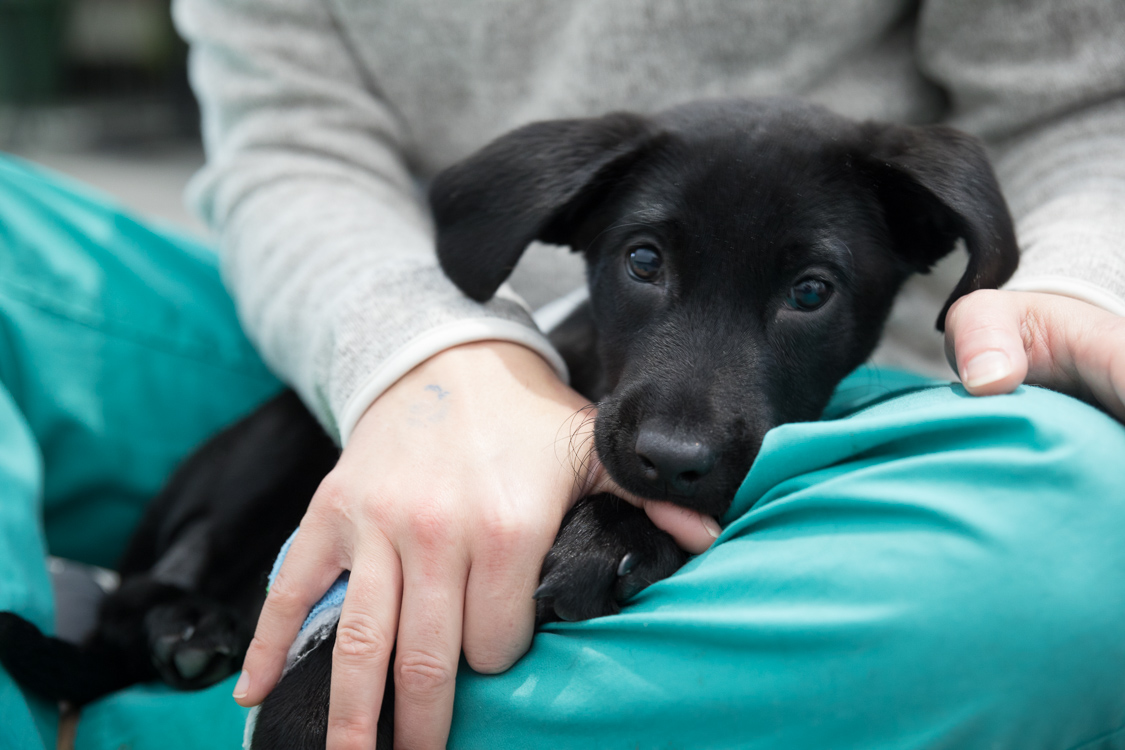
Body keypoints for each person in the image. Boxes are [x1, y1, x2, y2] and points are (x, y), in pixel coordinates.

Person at [1, 0, 1123, 748]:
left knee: (1087, 541)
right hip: (396, 303)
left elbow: (1083, 107)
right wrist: (429, 357)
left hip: (858, 461)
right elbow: (294, 139)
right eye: (648, 262)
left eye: (807, 290)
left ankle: (200, 713)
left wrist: (1065, 290)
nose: (682, 428)